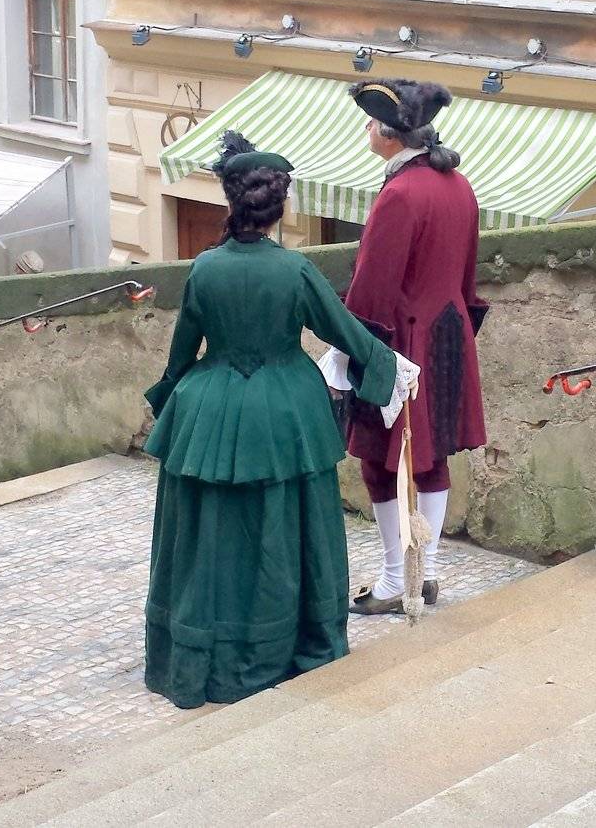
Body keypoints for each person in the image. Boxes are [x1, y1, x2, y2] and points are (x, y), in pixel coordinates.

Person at [141, 130, 416, 708]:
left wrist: (170, 399)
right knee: (283, 531)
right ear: (278, 206)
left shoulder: (205, 269)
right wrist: (391, 369)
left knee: (211, 535)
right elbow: (345, 332)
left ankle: (204, 652)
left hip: (209, 408)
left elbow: (182, 350)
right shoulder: (295, 270)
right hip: (287, 413)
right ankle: (288, 641)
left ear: (233, 202)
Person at [340, 79, 489, 615]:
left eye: (370, 120)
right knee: (432, 458)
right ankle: (429, 573)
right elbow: (467, 278)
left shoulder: (400, 194)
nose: (365, 128)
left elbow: (373, 287)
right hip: (449, 337)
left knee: (379, 462)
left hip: (400, 342)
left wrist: (347, 350)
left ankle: (393, 579)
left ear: (388, 133)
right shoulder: (460, 185)